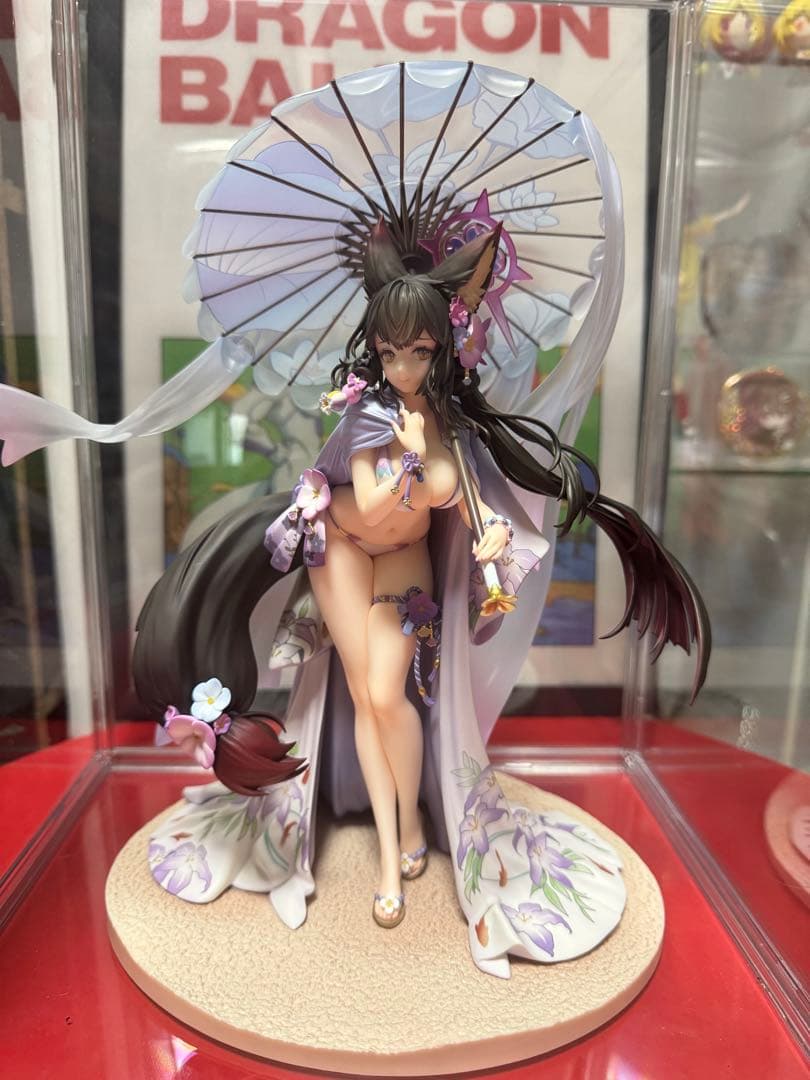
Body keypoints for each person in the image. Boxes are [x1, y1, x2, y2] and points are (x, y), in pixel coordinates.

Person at [132, 221, 708, 977]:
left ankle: (405, 825)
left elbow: (460, 498)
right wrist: (405, 451)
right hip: (343, 546)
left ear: (442, 347)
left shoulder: (454, 426)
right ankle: (389, 849)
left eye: (420, 352)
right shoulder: (366, 412)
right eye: (390, 352)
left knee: (386, 694)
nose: (403, 366)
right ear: (375, 349)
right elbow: (371, 503)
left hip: (404, 565)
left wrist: (489, 529)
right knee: (365, 698)